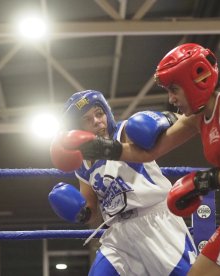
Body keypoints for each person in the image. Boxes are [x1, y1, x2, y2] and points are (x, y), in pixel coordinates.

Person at [57, 44, 220, 276]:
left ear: (195, 80)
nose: (172, 99)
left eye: (174, 90)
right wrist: (102, 149)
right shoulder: (196, 119)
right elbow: (147, 153)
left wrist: (202, 182)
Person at [49, 90, 197, 276]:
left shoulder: (125, 132)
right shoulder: (83, 166)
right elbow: (93, 215)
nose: (96, 121)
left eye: (99, 113)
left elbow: (184, 121)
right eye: (87, 119)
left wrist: (164, 119)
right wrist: (80, 213)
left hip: (155, 221)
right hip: (118, 233)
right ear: (77, 128)